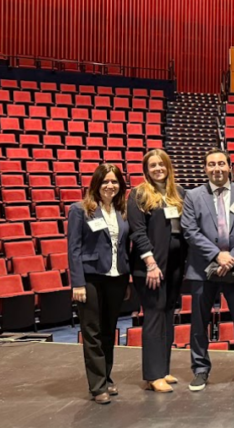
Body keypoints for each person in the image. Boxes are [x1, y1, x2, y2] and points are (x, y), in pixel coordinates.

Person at [181, 149, 234, 392]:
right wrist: (217, 254)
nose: (217, 168)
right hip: (203, 269)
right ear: (205, 168)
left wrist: (231, 256)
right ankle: (200, 369)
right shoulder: (193, 196)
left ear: (229, 166)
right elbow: (190, 231)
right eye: (211, 164)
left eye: (221, 163)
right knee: (199, 322)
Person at [69, 164, 131, 404]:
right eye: (105, 181)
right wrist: (78, 283)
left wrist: (126, 278)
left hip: (117, 278)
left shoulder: (121, 210)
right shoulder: (80, 210)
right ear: (96, 184)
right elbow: (74, 249)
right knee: (92, 332)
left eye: (114, 181)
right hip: (91, 278)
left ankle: (106, 375)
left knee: (108, 330)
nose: (110, 185)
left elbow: (124, 247)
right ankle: (97, 386)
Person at [128, 149, 188, 393]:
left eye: (161, 164)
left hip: (175, 264)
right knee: (153, 315)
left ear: (168, 166)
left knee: (167, 314)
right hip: (151, 266)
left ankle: (162, 368)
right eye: (152, 165)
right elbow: (138, 232)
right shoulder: (139, 194)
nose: (157, 169)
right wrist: (150, 264)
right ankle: (153, 375)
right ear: (146, 169)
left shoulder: (179, 192)